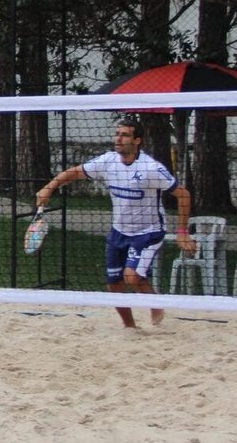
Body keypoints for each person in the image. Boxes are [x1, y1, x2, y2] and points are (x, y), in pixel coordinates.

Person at [34, 118, 197, 328]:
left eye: (125, 134)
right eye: (117, 133)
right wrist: (49, 187)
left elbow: (183, 195)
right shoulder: (108, 162)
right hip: (119, 232)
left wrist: (183, 232)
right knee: (114, 285)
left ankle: (156, 305)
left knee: (132, 277)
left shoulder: (151, 168)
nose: (118, 138)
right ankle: (130, 327)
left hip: (148, 232)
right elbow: (74, 172)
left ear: (137, 140)